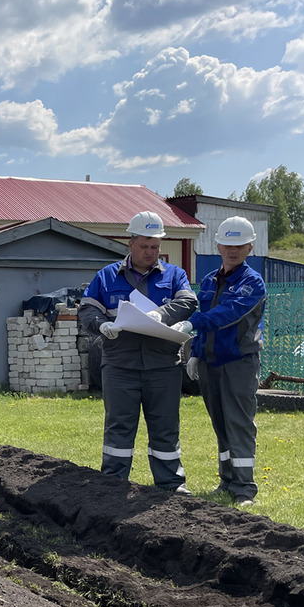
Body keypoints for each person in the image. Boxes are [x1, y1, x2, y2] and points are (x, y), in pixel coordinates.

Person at [78, 211, 198, 492]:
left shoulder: (174, 275)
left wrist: (161, 314)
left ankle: (171, 484)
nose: (150, 252)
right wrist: (101, 324)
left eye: (155, 246)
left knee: (165, 427)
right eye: (144, 246)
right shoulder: (106, 277)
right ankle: (113, 482)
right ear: (130, 243)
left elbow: (188, 301)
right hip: (120, 366)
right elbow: (86, 310)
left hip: (163, 366)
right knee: (119, 426)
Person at [174, 216, 265, 507]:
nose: (232, 250)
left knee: (239, 422)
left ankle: (244, 488)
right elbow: (208, 324)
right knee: (221, 423)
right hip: (210, 362)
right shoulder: (211, 280)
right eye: (227, 244)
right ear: (218, 245)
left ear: (250, 247)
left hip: (239, 362)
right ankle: (227, 480)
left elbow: (227, 314)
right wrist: (197, 352)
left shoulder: (251, 282)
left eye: (239, 245)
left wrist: (192, 324)